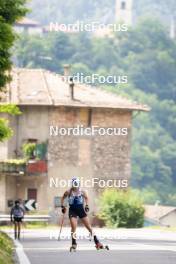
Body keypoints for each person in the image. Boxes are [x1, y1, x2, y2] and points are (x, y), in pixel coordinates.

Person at [61, 177, 103, 250]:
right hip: (72, 210)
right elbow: (62, 198)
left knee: (89, 227)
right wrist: (63, 206)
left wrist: (86, 205)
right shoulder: (68, 191)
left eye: (77, 184)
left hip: (81, 209)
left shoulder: (82, 191)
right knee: (73, 226)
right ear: (72, 184)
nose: (76, 186)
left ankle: (97, 242)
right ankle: (74, 243)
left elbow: (86, 198)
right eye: (75, 184)